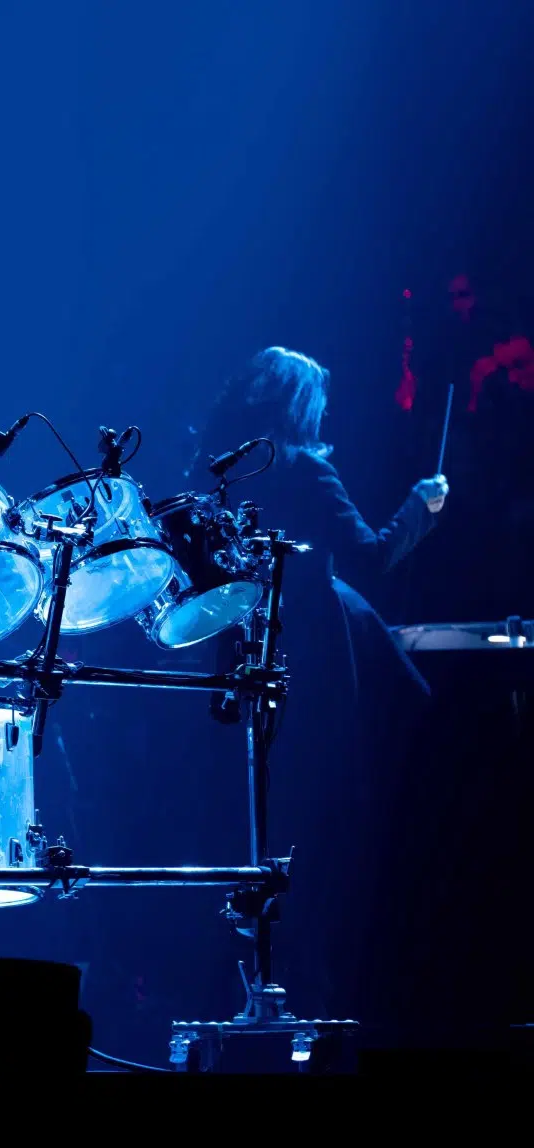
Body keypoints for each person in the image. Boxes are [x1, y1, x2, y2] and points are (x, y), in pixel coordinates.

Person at [194, 346, 448, 1034]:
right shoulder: (306, 468)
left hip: (241, 654)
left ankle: (255, 981)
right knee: (324, 819)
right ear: (301, 404)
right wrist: (421, 508)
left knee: (260, 815)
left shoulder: (223, 469)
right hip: (312, 659)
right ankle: (318, 988)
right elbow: (372, 554)